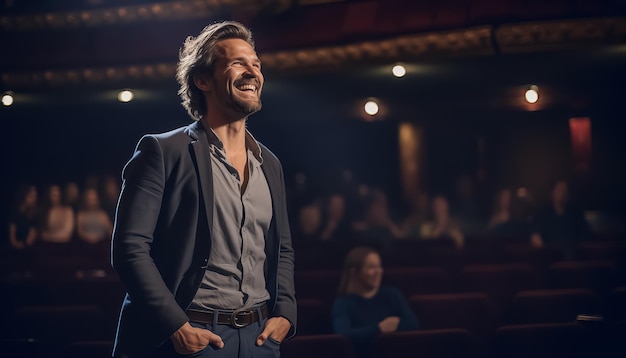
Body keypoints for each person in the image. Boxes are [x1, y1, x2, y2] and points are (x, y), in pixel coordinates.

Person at [111, 21, 296, 358]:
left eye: (256, 63)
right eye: (238, 62)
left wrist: (285, 313)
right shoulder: (162, 151)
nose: (252, 71)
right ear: (203, 80)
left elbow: (281, 249)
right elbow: (129, 248)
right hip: (191, 338)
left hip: (260, 339)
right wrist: (175, 327)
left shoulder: (269, 162)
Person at [332, 246, 419, 358]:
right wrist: (379, 328)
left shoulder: (392, 294)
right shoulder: (343, 303)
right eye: (371, 267)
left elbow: (413, 324)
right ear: (354, 272)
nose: (378, 272)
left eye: (379, 266)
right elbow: (343, 335)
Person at [530, 180, 590, 259]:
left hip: (574, 258)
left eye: (565, 191)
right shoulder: (542, 213)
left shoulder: (575, 213)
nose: (563, 193)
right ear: (552, 192)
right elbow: (535, 236)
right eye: (560, 190)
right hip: (549, 258)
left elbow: (586, 235)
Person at [8, 184, 39, 250]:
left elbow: (33, 232)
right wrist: (15, 243)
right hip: (13, 246)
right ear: (24, 195)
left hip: (29, 247)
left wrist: (25, 244)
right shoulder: (15, 210)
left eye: (35, 196)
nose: (34, 198)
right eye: (31, 195)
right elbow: (12, 228)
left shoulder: (35, 211)